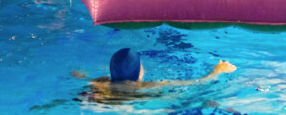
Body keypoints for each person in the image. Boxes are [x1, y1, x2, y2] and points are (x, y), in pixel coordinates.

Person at [86, 48, 236, 98]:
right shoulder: (148, 86)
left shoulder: (100, 83)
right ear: (138, 72)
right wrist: (215, 72)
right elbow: (197, 83)